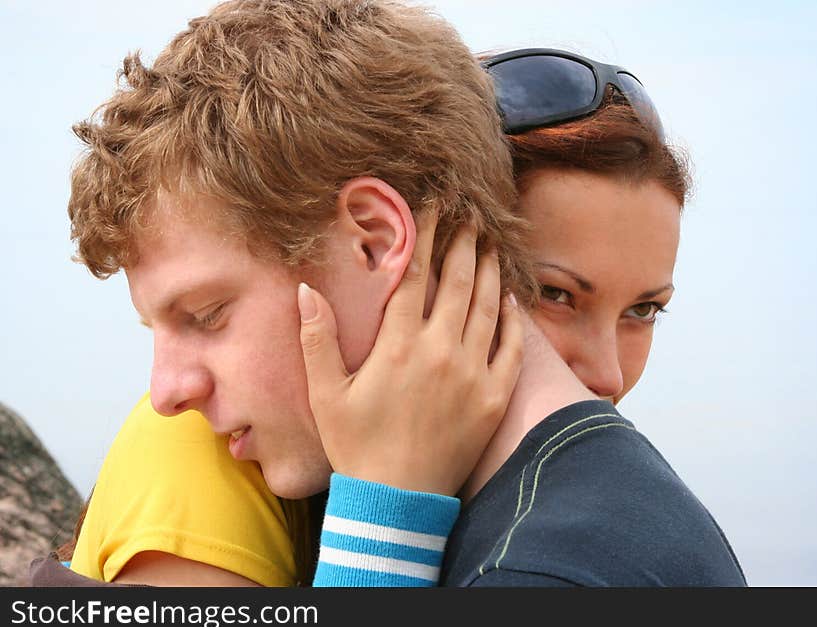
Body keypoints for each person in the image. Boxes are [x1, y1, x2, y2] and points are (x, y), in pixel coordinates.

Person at [35, 0, 745, 587]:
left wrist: (378, 527)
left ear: (376, 239)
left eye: (208, 315)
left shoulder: (552, 573)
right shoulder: (553, 515)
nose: (167, 392)